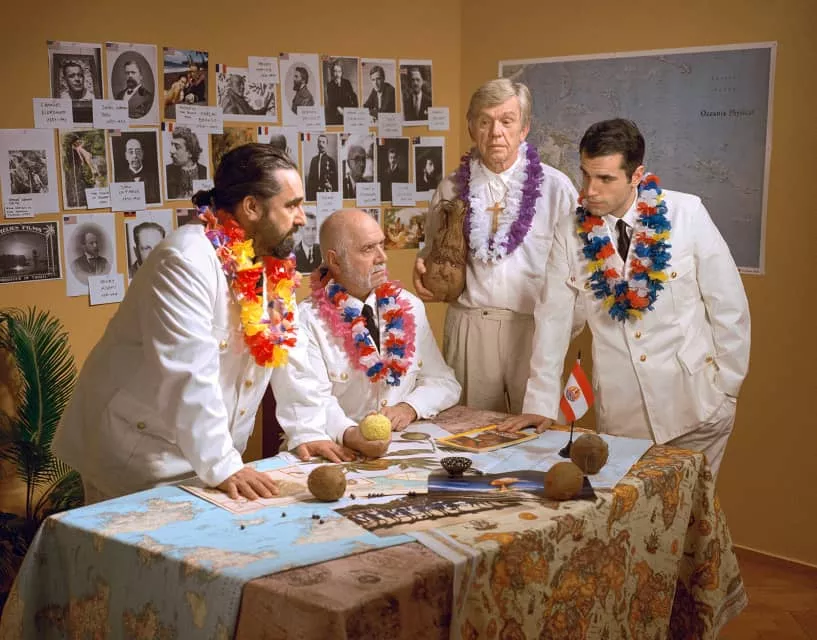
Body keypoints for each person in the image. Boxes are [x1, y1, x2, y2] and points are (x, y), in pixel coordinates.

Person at [53, 144, 308, 502]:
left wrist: (311, 430)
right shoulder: (185, 259)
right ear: (251, 207)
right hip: (138, 458)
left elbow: (290, 356)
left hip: (210, 456)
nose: (302, 218)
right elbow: (188, 372)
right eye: (292, 205)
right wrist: (222, 464)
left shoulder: (272, 265)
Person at [500, 119, 751, 477]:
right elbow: (552, 319)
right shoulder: (569, 232)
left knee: (695, 510)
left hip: (698, 407)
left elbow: (729, 306)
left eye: (605, 179)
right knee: (632, 511)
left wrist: (726, 389)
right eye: (586, 175)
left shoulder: (687, 214)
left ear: (636, 176)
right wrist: (541, 404)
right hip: (622, 419)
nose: (590, 190)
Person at [413, 78, 577, 413]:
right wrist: (424, 271)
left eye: (507, 121)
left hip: (533, 329)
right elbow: (432, 250)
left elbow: (578, 271)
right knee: (467, 430)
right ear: (471, 128)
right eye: (485, 122)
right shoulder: (450, 188)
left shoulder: (557, 189)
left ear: (524, 128)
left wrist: (560, 331)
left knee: (539, 428)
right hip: (471, 326)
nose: (495, 133)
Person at [275, 208, 461, 460]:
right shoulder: (306, 320)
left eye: (381, 245)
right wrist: (350, 434)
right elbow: (310, 401)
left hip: (398, 450)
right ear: (335, 261)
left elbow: (444, 382)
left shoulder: (410, 306)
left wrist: (409, 407)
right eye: (367, 249)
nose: (382, 257)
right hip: (331, 450)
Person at [166, 127, 208, 200]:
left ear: (190, 152)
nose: (171, 151)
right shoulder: (167, 172)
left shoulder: (205, 171)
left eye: (177, 147)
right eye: (172, 145)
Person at [116, 136, 161, 204]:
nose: (135, 156)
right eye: (131, 152)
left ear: (142, 154)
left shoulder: (155, 179)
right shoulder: (118, 180)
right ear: (126, 156)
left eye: (138, 151)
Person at [324, 59, 358, 125]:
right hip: (336, 113)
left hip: (347, 111)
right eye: (335, 71)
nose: (337, 74)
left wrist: (354, 109)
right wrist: (339, 110)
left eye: (339, 71)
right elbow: (331, 102)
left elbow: (353, 96)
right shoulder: (330, 85)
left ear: (342, 72)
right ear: (332, 72)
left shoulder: (347, 82)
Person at [306, 134, 338, 200]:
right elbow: (310, 180)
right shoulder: (314, 160)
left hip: (326, 195)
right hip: (314, 195)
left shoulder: (331, 161)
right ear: (317, 144)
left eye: (323, 142)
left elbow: (335, 181)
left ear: (326, 144)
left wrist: (331, 188)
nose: (321, 144)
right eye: (319, 142)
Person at [294, 209, 321, 273]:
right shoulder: (294, 253)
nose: (311, 234)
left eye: (314, 229)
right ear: (301, 230)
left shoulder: (321, 250)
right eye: (307, 229)